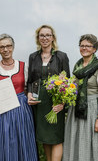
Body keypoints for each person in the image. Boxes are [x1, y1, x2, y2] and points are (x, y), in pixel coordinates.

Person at [0, 34, 38, 161]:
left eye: (8, 46)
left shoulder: (23, 66)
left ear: (13, 47)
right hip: (1, 111)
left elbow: (29, 87)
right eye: (2, 47)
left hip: (21, 108)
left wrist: (30, 96)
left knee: (23, 140)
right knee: (2, 142)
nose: (6, 49)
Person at [63, 34, 98, 161]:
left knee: (91, 143)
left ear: (94, 49)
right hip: (76, 109)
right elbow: (73, 88)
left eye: (88, 46)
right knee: (75, 141)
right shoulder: (78, 66)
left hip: (92, 109)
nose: (84, 48)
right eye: (82, 45)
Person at [27, 25, 70, 161]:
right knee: (45, 137)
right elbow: (30, 81)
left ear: (53, 38)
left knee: (56, 137)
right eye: (42, 35)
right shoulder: (33, 57)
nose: (45, 38)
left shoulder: (61, 56)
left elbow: (67, 82)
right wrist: (29, 93)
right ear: (38, 38)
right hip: (39, 102)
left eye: (48, 35)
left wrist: (62, 103)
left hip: (55, 101)